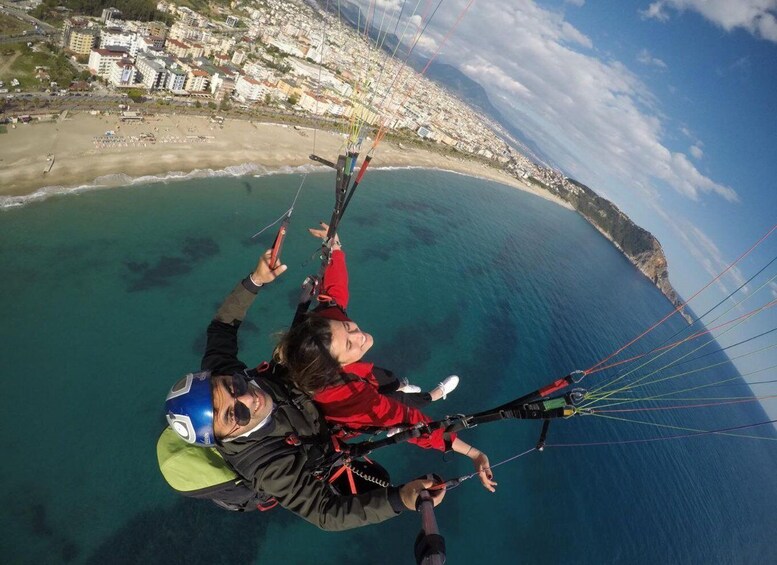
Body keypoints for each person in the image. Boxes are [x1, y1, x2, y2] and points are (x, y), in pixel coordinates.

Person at [164, 248, 446, 530]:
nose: (248, 398)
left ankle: (421, 396)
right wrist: (401, 499)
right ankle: (428, 397)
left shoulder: (220, 373)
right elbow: (326, 514)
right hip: (317, 437)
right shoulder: (266, 465)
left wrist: (255, 280)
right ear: (223, 437)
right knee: (386, 414)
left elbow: (222, 327)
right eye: (235, 414)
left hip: (307, 398)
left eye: (235, 385)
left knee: (382, 401)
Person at [275, 224, 497, 493]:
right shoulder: (350, 397)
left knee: (391, 380)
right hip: (355, 409)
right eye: (349, 342)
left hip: (359, 375)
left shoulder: (322, 335)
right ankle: (435, 395)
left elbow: (334, 297)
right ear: (336, 366)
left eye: (349, 328)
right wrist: (472, 452)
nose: (359, 334)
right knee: (406, 399)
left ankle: (405, 387)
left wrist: (335, 249)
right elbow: (410, 422)